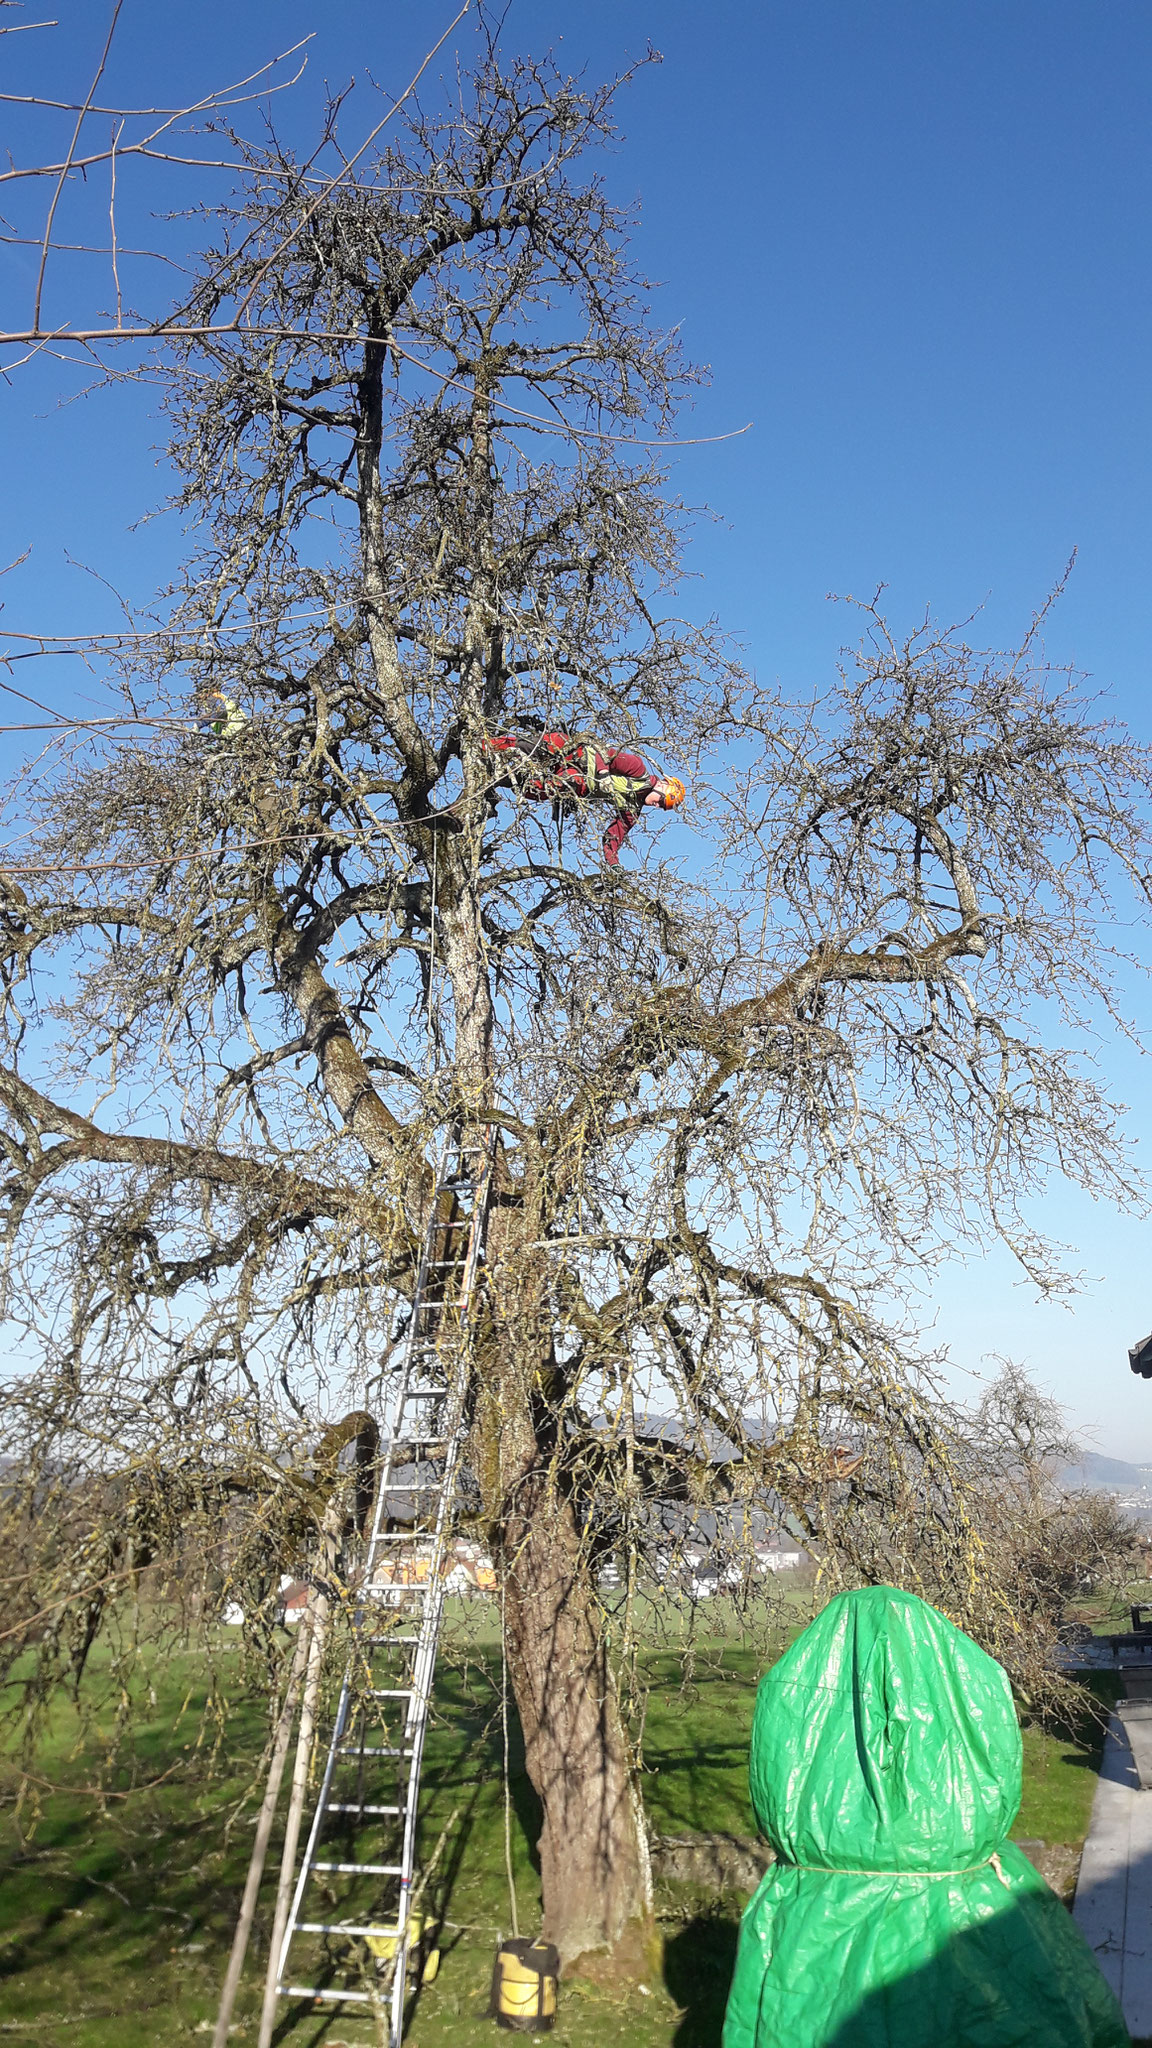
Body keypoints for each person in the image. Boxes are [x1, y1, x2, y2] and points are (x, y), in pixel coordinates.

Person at [722, 1585, 1128, 2047]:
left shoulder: (793, 1684)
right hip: (952, 1893)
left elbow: (776, 1775)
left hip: (821, 1910)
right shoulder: (970, 1678)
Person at [481, 730, 685, 865]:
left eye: (663, 807)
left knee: (538, 788)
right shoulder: (636, 767)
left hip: (574, 782)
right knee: (533, 746)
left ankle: (494, 777)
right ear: (662, 785)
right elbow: (601, 752)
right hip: (571, 755)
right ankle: (483, 745)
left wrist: (613, 864)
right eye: (662, 801)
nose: (658, 805)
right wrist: (604, 774)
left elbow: (613, 838)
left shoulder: (631, 811)